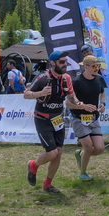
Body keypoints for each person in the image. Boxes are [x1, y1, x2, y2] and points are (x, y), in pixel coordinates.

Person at [24, 51, 78, 194]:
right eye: (62, 62)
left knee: (58, 153)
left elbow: (71, 97)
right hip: (42, 119)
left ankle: (48, 184)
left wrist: (80, 104)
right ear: (53, 63)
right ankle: (33, 165)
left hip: (58, 119)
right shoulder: (43, 77)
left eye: (66, 62)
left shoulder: (66, 78)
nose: (65, 64)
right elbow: (26, 94)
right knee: (52, 153)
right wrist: (40, 93)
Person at [65, 55, 106, 180]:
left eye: (98, 66)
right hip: (79, 118)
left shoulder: (99, 79)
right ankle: (83, 173)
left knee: (99, 149)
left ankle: (81, 154)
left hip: (93, 118)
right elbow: (68, 103)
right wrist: (82, 107)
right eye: (94, 66)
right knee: (88, 147)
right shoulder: (77, 82)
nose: (97, 68)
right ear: (86, 67)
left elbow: (102, 92)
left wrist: (102, 104)